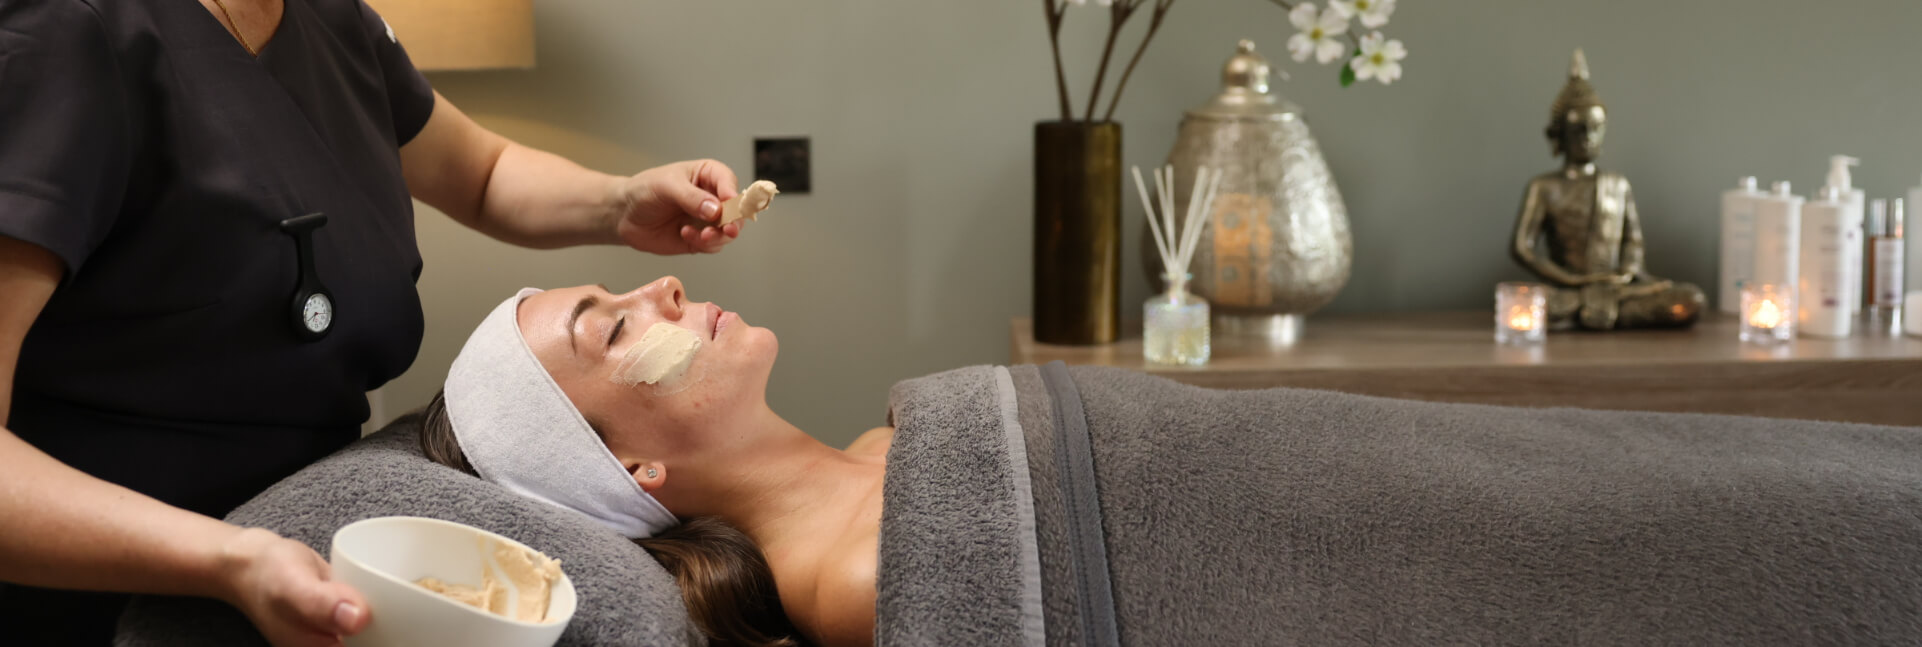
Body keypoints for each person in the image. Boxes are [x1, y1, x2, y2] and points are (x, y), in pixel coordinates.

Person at [0, 0, 748, 643]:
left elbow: (483, 174)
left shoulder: (334, 22)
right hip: (98, 598)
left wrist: (621, 203)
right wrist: (230, 559)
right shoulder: (68, 32)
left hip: (305, 562)